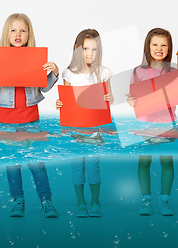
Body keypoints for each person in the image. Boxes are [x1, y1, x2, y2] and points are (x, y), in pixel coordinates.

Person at [0, 13, 59, 218]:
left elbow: (45, 87)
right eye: (13, 30)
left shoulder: (34, 59)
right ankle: (18, 201)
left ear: (28, 34)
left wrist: (54, 73)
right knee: (13, 164)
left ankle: (46, 201)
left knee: (37, 163)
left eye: (22, 30)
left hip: (31, 119)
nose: (18, 34)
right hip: (6, 122)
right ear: (7, 34)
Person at [126, 28, 178, 216]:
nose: (159, 48)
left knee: (166, 163)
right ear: (148, 47)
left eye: (164, 45)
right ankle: (146, 201)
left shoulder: (173, 71)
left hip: (167, 124)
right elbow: (134, 99)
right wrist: (131, 101)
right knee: (144, 162)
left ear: (169, 48)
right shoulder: (138, 72)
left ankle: (165, 201)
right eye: (155, 44)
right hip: (145, 125)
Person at [56, 29, 113, 218]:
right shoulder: (69, 73)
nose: (90, 53)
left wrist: (109, 97)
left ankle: (95, 202)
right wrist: (60, 104)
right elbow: (66, 101)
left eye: (94, 49)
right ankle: (81, 203)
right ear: (77, 49)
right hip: (75, 129)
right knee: (77, 167)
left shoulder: (103, 72)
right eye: (85, 48)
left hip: (95, 129)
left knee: (92, 166)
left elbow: (110, 98)